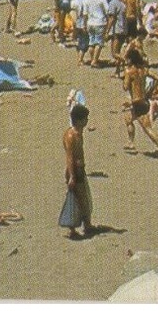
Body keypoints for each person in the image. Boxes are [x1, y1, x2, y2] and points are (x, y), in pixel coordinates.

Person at [121, 40, 158, 161]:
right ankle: (131, 143)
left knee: (147, 128)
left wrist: (124, 76)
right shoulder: (143, 70)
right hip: (143, 100)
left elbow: (125, 87)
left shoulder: (129, 71)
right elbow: (156, 78)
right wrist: (150, 91)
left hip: (136, 101)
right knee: (128, 119)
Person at [63, 103, 93, 240]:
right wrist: (72, 177)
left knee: (84, 198)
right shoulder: (71, 136)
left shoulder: (79, 133)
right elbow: (69, 157)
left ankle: (87, 224)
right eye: (85, 119)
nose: (87, 121)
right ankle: (73, 228)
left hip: (80, 169)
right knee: (77, 199)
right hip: (74, 170)